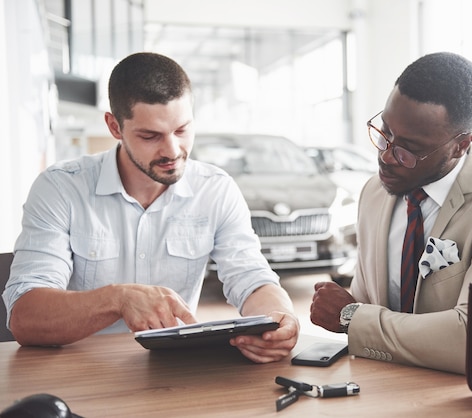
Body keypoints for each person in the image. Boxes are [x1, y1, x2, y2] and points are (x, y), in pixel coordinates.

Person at [2, 52, 299, 363]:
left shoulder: (216, 189)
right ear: (114, 126)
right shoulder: (60, 188)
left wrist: (278, 319)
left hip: (171, 372)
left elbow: (252, 279)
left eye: (182, 130)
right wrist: (116, 299)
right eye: (150, 136)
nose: (172, 150)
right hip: (80, 373)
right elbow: (25, 317)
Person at [309, 52, 472, 374]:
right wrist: (353, 314)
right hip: (379, 388)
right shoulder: (375, 192)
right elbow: (367, 308)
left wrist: (351, 316)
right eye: (384, 133)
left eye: (409, 149)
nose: (387, 156)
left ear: (460, 145)